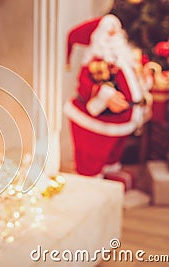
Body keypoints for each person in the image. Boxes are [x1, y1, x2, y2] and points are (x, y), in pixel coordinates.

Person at [64, 14, 153, 186]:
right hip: (99, 121)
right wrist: (106, 94)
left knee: (114, 150)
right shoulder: (95, 63)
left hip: (122, 118)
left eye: (116, 30)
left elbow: (136, 80)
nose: (113, 34)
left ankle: (111, 171)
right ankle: (92, 180)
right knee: (95, 153)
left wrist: (146, 79)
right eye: (108, 30)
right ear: (98, 36)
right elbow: (85, 85)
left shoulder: (127, 59)